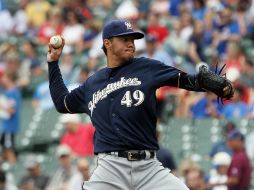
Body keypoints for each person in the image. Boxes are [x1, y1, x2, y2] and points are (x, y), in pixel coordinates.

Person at [47, 19, 233, 190]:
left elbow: (186, 80)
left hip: (149, 168)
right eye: (125, 39)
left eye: (133, 40)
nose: (131, 43)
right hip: (110, 169)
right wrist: (53, 63)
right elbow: (62, 103)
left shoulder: (147, 67)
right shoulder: (92, 84)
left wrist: (206, 83)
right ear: (107, 43)